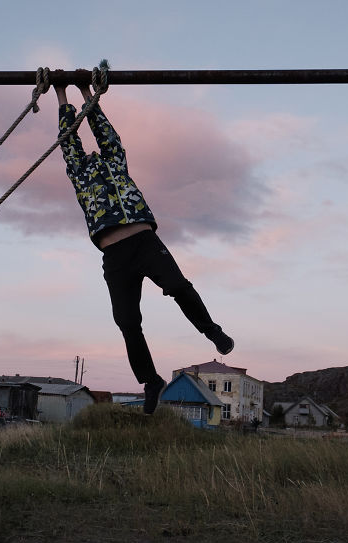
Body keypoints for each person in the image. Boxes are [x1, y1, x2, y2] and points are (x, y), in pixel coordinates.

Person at [54, 76, 233, 416]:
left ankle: (212, 330)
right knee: (126, 320)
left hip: (144, 242)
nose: (91, 153)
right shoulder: (78, 173)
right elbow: (68, 139)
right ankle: (151, 381)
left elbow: (102, 130)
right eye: (86, 154)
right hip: (115, 256)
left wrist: (85, 91)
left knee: (178, 286)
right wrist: (61, 92)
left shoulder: (116, 161)